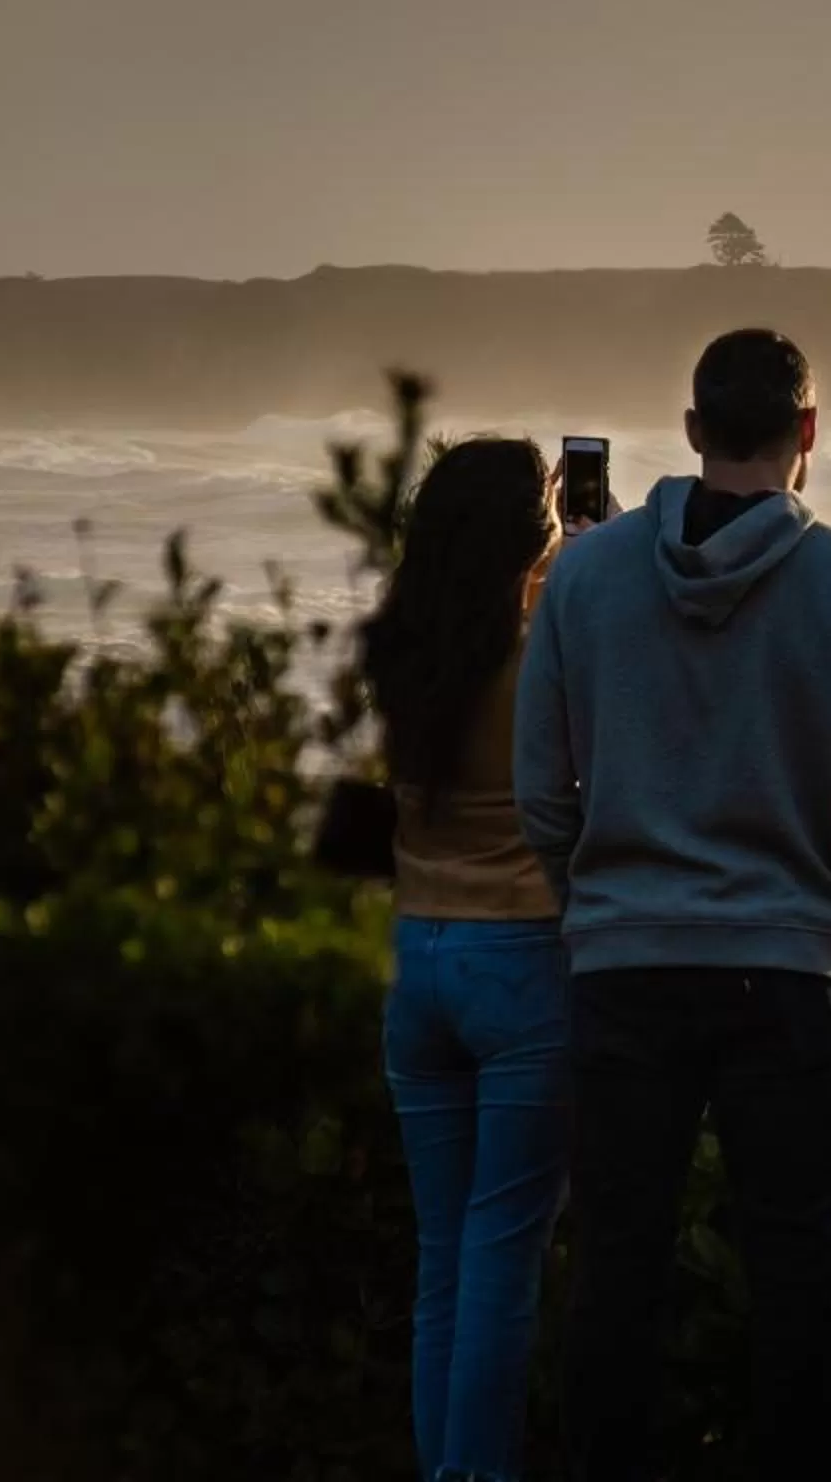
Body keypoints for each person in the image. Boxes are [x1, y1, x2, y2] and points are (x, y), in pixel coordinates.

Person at [516, 328, 831, 1479]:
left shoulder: (587, 578)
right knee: (799, 1291)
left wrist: (591, 903)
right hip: (793, 973)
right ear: (808, 434)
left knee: (614, 1275)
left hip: (623, 966)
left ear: (694, 431)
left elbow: (539, 787)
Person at [361, 436, 578, 1482]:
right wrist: (583, 557)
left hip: (420, 960)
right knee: (503, 1261)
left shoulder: (401, 649)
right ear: (525, 527)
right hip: (522, 959)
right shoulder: (548, 646)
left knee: (442, 1264)